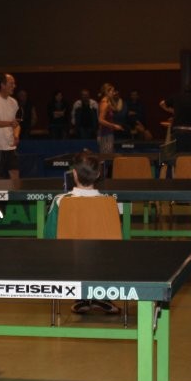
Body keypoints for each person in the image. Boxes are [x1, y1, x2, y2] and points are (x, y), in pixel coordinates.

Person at [44, 152, 120, 315]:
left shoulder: (60, 201)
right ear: (98, 175)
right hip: (103, 264)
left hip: (69, 263)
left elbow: (49, 237)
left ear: (74, 174)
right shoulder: (110, 202)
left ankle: (82, 298)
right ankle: (101, 296)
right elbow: (117, 239)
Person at [96, 83, 124, 154]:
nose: (114, 93)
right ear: (106, 92)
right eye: (112, 91)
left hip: (108, 132)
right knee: (106, 157)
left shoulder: (108, 103)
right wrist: (114, 126)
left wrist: (111, 98)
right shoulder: (104, 103)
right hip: (104, 133)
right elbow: (100, 120)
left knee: (108, 155)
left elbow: (116, 109)